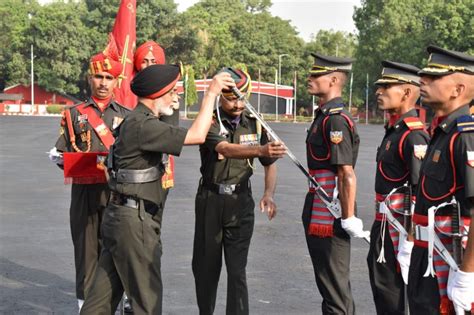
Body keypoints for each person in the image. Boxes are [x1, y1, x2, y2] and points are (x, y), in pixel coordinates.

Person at [80, 64, 236, 314]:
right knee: (147, 303)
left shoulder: (135, 121)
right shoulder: (143, 125)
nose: (177, 96)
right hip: (134, 222)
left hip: (122, 218)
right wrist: (211, 94)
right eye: (173, 91)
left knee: (100, 301)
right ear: (157, 94)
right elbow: (197, 135)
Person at [191, 68, 286, 315]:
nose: (238, 103)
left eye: (242, 97)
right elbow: (225, 148)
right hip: (211, 201)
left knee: (237, 271)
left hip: (241, 202)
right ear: (220, 96)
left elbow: (270, 164)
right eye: (231, 98)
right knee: (206, 269)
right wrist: (260, 151)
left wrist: (268, 194)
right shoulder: (209, 121)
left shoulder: (255, 122)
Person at [48, 50, 130, 311]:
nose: (103, 82)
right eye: (98, 76)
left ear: (116, 82)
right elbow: (63, 149)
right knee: (85, 251)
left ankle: (116, 300)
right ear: (89, 78)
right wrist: (58, 158)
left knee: (116, 247)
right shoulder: (74, 114)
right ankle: (84, 306)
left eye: (109, 77)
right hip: (84, 191)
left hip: (116, 191)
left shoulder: (127, 116)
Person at [405, 45, 474, 314]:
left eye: (433, 78)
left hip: (451, 259)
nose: (423, 81)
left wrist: (467, 274)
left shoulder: (465, 136)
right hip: (427, 254)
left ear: (458, 90)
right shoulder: (442, 132)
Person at [303, 53, 368, 314]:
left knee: (335, 289)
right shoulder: (324, 116)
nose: (309, 78)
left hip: (330, 213)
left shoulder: (336, 119)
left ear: (332, 80)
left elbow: (345, 172)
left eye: (315, 75)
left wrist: (349, 216)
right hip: (319, 206)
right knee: (328, 284)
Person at [366, 61, 429, 314]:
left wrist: (410, 241)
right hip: (385, 224)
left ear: (406, 92)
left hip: (400, 230)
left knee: (393, 297)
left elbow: (419, 194)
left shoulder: (412, 135)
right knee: (384, 292)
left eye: (386, 86)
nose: (379, 91)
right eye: (379, 86)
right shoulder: (395, 130)